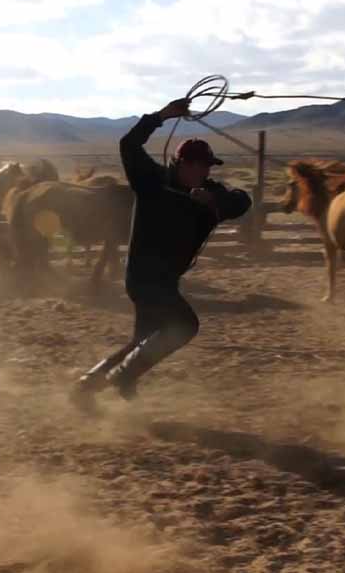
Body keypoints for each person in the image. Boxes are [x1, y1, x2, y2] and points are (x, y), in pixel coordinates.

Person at [70, 97, 252, 412]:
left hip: (165, 281)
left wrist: (213, 202)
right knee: (185, 325)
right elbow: (129, 144)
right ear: (181, 163)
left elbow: (242, 200)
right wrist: (162, 116)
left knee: (141, 342)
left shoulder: (209, 196)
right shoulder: (151, 181)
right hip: (143, 277)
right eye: (198, 165)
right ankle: (124, 378)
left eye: (207, 167)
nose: (204, 171)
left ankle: (87, 386)